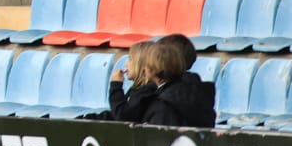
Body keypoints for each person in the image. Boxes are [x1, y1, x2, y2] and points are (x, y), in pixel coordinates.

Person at [85, 34, 216, 128]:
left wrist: (115, 87)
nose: (144, 67)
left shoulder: (160, 103)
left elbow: (124, 118)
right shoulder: (193, 90)